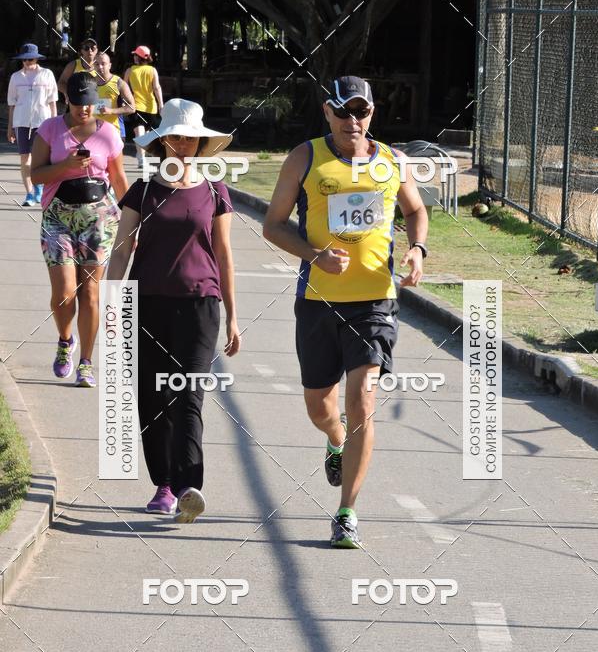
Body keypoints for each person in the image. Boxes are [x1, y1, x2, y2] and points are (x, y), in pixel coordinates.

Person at [263, 76, 429, 548]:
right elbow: (273, 226)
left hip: (375, 302)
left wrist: (417, 249)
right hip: (317, 301)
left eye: (362, 112)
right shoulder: (306, 158)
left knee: (362, 399)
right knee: (321, 406)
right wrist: (315, 255)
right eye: (344, 112)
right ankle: (335, 439)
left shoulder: (392, 162)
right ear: (327, 112)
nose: (353, 121)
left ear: (372, 113)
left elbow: (416, 211)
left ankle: (347, 512)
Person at [106, 98, 240, 522]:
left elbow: (223, 253)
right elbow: (121, 250)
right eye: (176, 136)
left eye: (191, 138)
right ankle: (162, 483)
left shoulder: (216, 191)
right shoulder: (142, 191)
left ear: (200, 145)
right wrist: (114, 305)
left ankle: (188, 487)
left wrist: (234, 316)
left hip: (202, 304)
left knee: (189, 396)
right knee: (152, 395)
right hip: (146, 304)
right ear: (163, 140)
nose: (183, 144)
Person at [30, 72, 128, 388]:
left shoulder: (109, 135)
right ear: (67, 100)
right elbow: (37, 175)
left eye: (89, 104)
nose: (84, 110)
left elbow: (119, 180)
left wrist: (132, 225)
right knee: (64, 294)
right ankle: (65, 340)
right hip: (57, 218)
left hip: (99, 218)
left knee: (90, 294)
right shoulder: (49, 129)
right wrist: (67, 166)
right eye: (78, 104)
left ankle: (86, 362)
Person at [7, 43, 58, 206]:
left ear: (36, 58)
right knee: (24, 158)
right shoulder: (16, 77)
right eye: (24, 59)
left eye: (30, 59)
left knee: (41, 157)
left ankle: (40, 187)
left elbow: (52, 101)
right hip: (21, 121)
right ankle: (29, 193)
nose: (28, 62)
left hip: (42, 121)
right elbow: (12, 103)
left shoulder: (47, 74)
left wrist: (55, 124)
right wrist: (10, 128)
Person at [124, 46, 163, 168]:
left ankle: (141, 157)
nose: (134, 57)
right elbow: (157, 88)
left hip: (135, 105)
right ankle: (141, 158)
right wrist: (161, 104)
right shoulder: (152, 70)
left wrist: (125, 100)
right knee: (143, 133)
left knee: (141, 133)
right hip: (151, 106)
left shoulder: (130, 71)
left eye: (135, 55)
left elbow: (124, 86)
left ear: (139, 57)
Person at [93, 51, 136, 139]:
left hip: (114, 133)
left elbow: (132, 108)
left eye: (103, 64)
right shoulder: (89, 82)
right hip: (93, 133)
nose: (100, 67)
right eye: (96, 64)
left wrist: (111, 111)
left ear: (109, 65)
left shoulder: (119, 83)